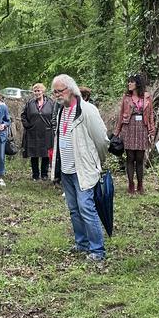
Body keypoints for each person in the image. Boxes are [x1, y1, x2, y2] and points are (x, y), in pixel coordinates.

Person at [50, 74, 110, 262]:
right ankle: (82, 243)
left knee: (86, 208)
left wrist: (96, 163)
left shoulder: (88, 111)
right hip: (66, 170)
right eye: (54, 92)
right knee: (74, 208)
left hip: (83, 169)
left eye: (60, 91)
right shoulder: (61, 110)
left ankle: (97, 250)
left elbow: (102, 141)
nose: (57, 95)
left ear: (72, 89)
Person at [114, 74, 155, 194]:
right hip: (129, 127)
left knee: (140, 158)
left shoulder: (146, 97)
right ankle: (131, 184)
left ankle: (140, 184)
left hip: (142, 127)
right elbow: (121, 115)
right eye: (128, 82)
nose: (129, 84)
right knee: (130, 157)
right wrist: (117, 132)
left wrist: (151, 130)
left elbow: (151, 114)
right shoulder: (126, 97)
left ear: (137, 83)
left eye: (131, 82)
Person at [21, 83, 55, 180]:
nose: (37, 93)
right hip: (33, 132)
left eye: (39, 90)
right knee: (34, 154)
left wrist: (52, 126)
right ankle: (35, 175)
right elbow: (23, 116)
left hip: (46, 132)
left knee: (45, 154)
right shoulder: (30, 103)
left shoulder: (50, 102)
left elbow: (54, 116)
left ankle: (44, 174)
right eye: (35, 91)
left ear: (43, 91)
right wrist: (27, 125)